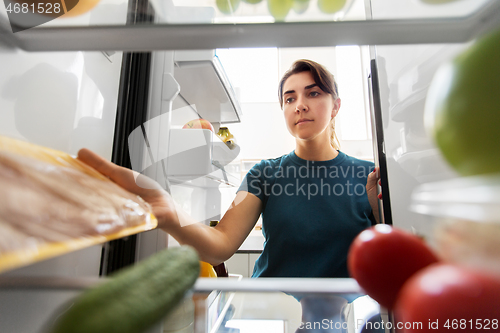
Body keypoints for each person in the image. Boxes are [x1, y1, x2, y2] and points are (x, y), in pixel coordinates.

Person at [77, 59, 381, 279]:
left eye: (313, 93)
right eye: (290, 98)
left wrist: (380, 215)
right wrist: (168, 212)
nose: (299, 104)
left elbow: (394, 253)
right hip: (270, 312)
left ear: (336, 105)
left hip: (343, 318)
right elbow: (219, 246)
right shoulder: (264, 174)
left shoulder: (368, 176)